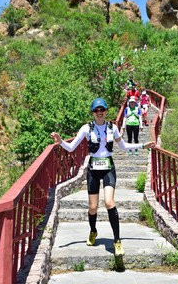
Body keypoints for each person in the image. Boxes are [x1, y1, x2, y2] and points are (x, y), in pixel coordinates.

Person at [51, 98, 155, 257]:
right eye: (96, 110)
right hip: (93, 169)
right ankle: (93, 231)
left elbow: (123, 146)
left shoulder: (113, 128)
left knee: (109, 202)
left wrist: (142, 145)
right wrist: (60, 142)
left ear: (106, 111)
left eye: (102, 110)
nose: (99, 113)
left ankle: (117, 241)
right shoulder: (86, 128)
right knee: (93, 207)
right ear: (93, 112)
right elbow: (71, 148)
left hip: (108, 168)